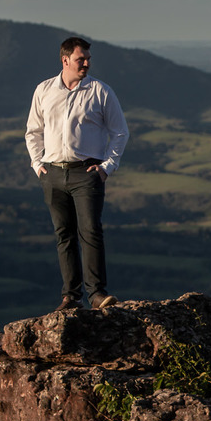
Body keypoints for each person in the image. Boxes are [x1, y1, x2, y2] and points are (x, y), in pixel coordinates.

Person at [25, 36, 129, 311]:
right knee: (64, 234)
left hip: (87, 173)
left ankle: (96, 294)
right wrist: (38, 166)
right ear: (65, 60)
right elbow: (33, 131)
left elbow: (120, 132)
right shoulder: (44, 90)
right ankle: (70, 297)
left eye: (88, 59)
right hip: (53, 173)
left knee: (90, 231)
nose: (86, 63)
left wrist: (107, 167)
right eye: (81, 59)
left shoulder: (100, 91)